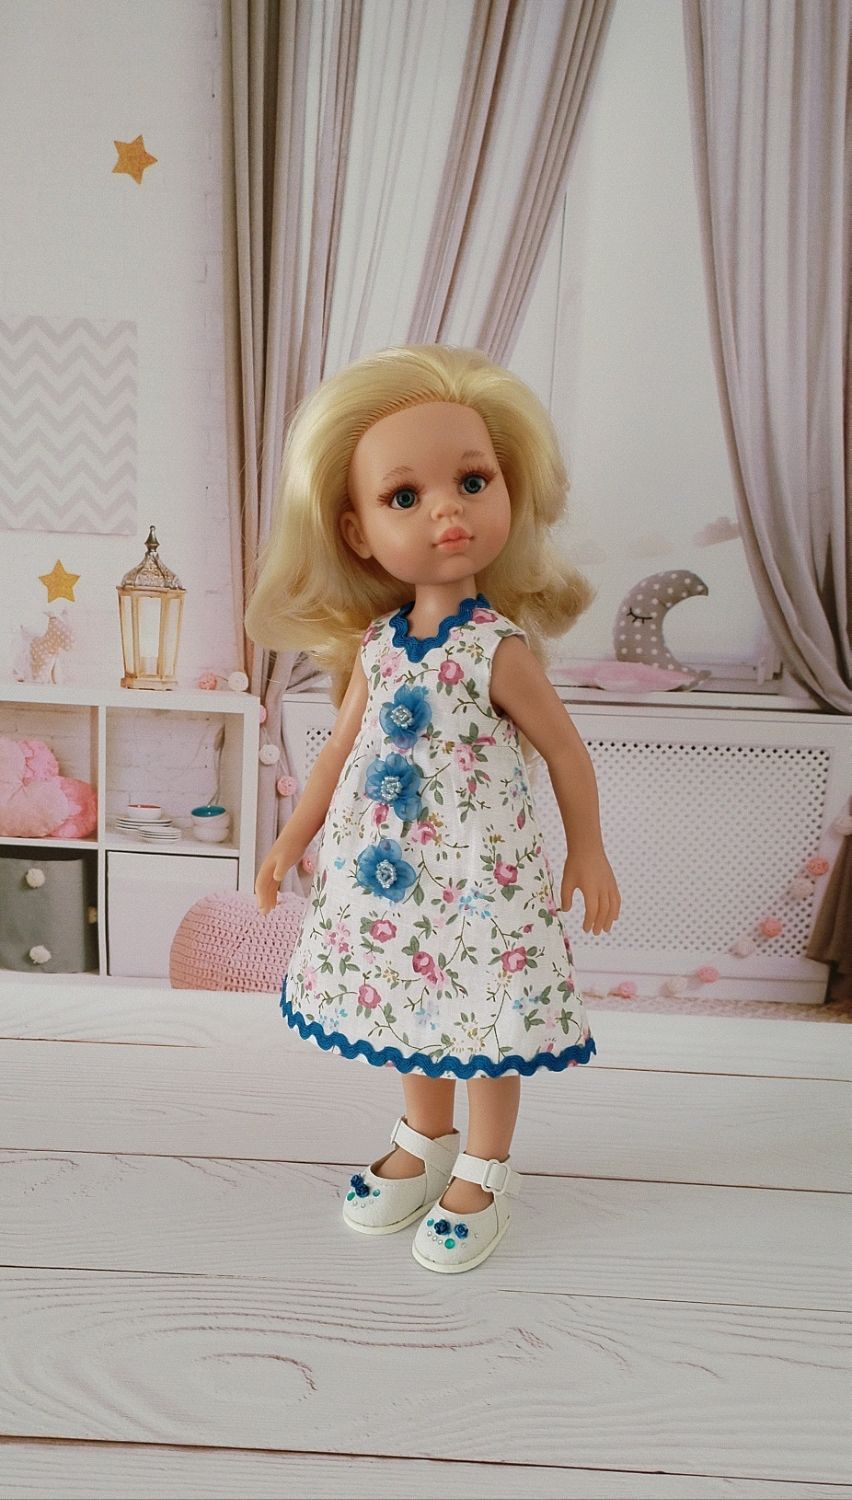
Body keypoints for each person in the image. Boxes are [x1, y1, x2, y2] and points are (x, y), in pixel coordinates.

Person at [245, 343, 621, 1273]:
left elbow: (566, 750)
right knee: (410, 999)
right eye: (405, 496)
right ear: (356, 531)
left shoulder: (496, 649)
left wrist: (589, 851)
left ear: (509, 491)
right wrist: (289, 838)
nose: (447, 510)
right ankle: (425, 1136)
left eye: (472, 482)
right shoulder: (378, 647)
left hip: (482, 880)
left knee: (488, 1019)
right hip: (395, 883)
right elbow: (336, 752)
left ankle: (486, 1167)